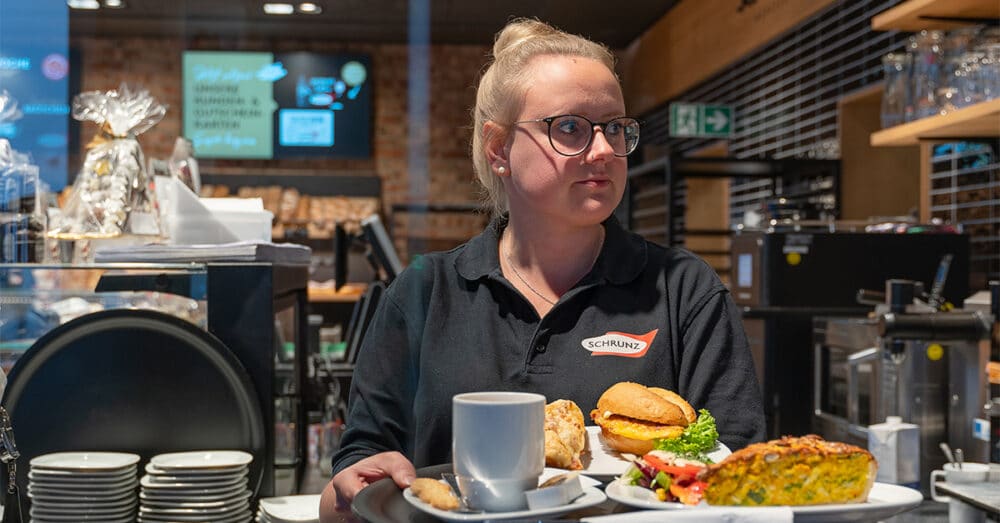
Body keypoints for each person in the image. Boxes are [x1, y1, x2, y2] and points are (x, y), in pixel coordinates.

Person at [319, 17, 765, 518]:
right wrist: (356, 487)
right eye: (570, 128)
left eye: (615, 128)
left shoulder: (685, 291)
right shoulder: (423, 292)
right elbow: (355, 471)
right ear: (498, 148)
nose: (604, 150)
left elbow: (739, 475)